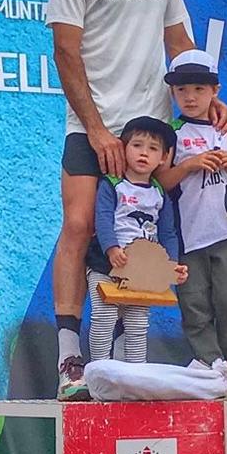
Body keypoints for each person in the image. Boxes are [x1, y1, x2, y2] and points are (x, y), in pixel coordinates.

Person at [47, 0, 227, 399]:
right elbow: (65, 51)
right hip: (94, 127)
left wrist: (209, 102)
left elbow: (180, 44)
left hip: (152, 129)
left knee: (157, 235)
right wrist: (100, 131)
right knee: (81, 227)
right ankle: (70, 359)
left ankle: (157, 357)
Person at [160, 50, 227, 382]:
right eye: (181, 90)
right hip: (188, 236)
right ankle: (208, 361)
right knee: (194, 304)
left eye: (199, 89)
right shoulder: (172, 133)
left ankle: (226, 355)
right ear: (172, 93)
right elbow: (162, 180)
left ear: (215, 91)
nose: (190, 97)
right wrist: (189, 165)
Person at [86, 117, 188, 364]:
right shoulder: (112, 184)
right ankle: (100, 369)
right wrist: (111, 248)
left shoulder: (159, 194)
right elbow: (102, 218)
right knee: (104, 316)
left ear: (163, 158)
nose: (144, 153)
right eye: (137, 145)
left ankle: (135, 373)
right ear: (123, 149)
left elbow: (168, 233)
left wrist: (171, 265)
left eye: (153, 149)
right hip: (104, 265)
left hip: (141, 273)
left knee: (138, 322)